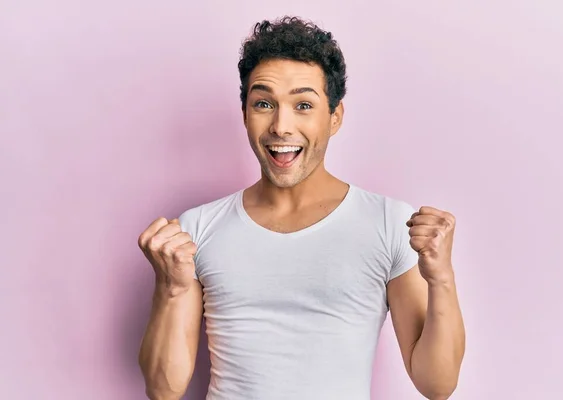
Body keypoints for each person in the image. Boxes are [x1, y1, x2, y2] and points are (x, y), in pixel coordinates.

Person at [137, 16, 465, 400]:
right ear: (244, 113)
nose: (281, 125)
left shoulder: (388, 223)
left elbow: (437, 384)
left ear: (335, 117)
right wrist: (171, 288)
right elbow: (163, 389)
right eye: (263, 103)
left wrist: (441, 277)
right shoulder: (198, 228)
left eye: (303, 105)